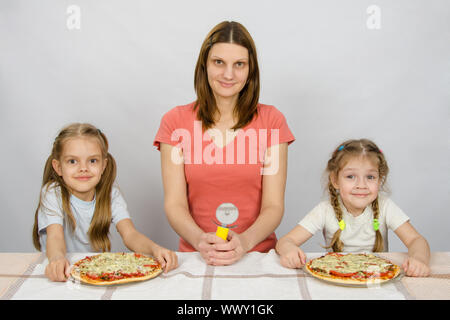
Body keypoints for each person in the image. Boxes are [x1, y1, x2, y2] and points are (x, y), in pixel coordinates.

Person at [153, 21, 295, 265]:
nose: (228, 74)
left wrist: (245, 242)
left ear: (251, 70)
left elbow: (273, 206)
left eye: (239, 64)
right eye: (219, 62)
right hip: (197, 257)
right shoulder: (175, 121)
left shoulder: (272, 120)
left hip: (257, 258)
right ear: (204, 65)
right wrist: (200, 241)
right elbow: (175, 204)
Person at [33, 123, 178, 282]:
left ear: (103, 165)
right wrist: (57, 260)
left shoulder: (110, 194)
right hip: (60, 271)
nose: (83, 168)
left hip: (92, 272)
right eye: (72, 161)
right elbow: (55, 237)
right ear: (58, 167)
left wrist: (154, 249)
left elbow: (130, 234)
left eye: (93, 161)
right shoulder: (53, 193)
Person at [276, 139, 430, 277]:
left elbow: (416, 240)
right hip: (336, 278)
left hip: (376, 278)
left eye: (370, 177)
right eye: (351, 176)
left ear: (379, 180)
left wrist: (418, 259)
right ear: (335, 180)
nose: (361, 185)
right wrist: (289, 250)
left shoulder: (385, 206)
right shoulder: (325, 209)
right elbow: (285, 241)